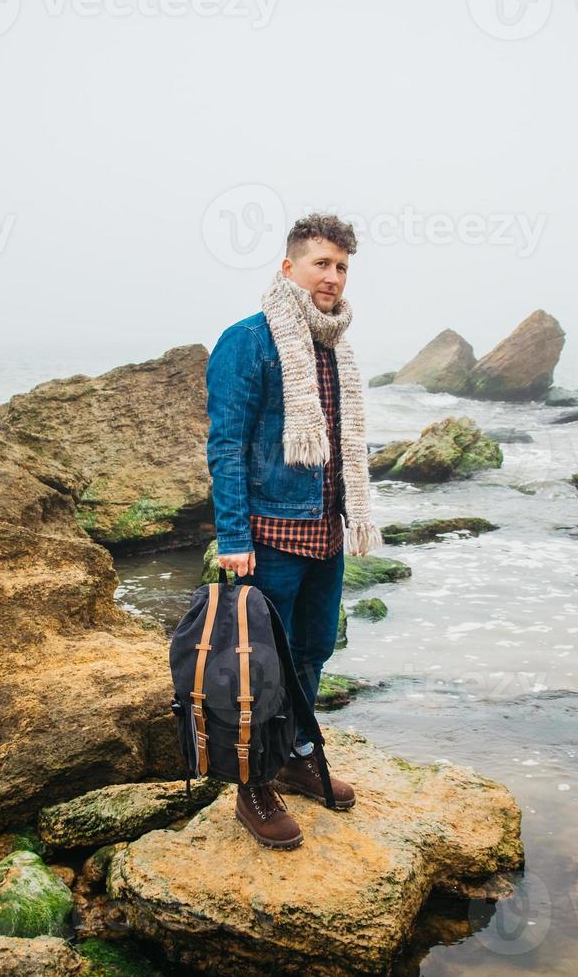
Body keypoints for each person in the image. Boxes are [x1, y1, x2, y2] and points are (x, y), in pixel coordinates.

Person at [204, 212, 383, 849]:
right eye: (320, 264)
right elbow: (225, 446)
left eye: (340, 267)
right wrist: (232, 538)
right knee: (257, 667)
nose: (332, 277)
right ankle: (251, 785)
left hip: (326, 533)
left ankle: (298, 755)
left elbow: (341, 443)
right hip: (269, 536)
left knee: (311, 654)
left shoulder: (335, 345)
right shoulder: (248, 341)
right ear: (289, 267)